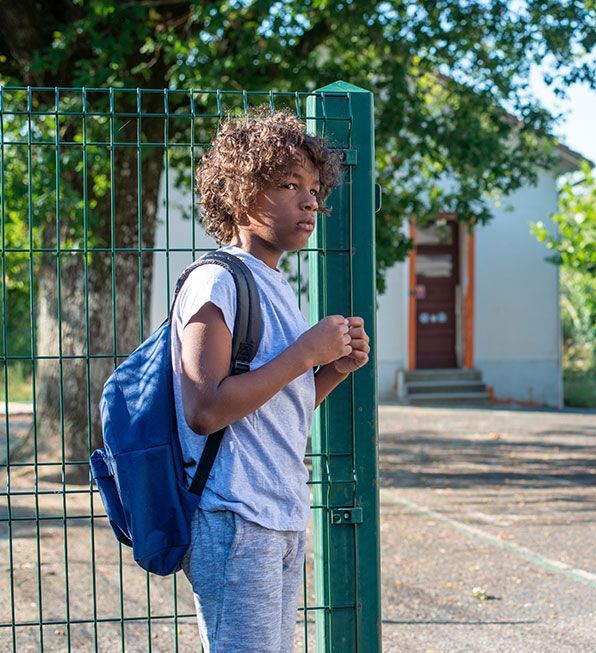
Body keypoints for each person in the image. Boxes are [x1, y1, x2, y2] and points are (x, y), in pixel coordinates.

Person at [172, 109, 370, 652]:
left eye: (313, 187)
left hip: (280, 513)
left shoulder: (277, 285)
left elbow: (277, 404)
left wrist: (330, 369)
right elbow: (205, 408)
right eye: (288, 185)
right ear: (239, 194)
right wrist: (306, 353)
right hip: (234, 515)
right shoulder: (217, 279)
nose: (309, 201)